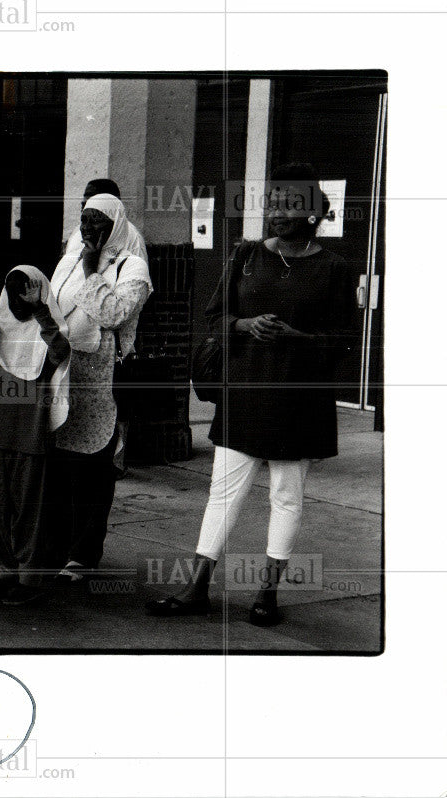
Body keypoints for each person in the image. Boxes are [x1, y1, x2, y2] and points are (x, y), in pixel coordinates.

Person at [145, 163, 356, 626]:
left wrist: (297, 336)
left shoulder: (336, 268)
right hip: (245, 393)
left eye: (288, 204)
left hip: (300, 400)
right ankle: (196, 585)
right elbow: (216, 317)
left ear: (313, 212)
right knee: (223, 493)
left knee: (286, 496)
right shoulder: (246, 256)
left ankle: (267, 593)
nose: (276, 212)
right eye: (272, 203)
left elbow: (344, 338)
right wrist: (245, 324)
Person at [47, 193, 153, 583]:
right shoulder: (70, 257)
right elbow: (53, 304)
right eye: (84, 220)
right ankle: (58, 546)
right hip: (66, 372)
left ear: (116, 224)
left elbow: (114, 313)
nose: (89, 229)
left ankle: (84, 554)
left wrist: (93, 270)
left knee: (93, 468)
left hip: (104, 379)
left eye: (98, 222)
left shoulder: (132, 265)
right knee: (62, 465)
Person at [0, 264, 71, 606]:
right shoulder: (0, 330)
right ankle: (6, 572)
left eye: (27, 289)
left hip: (32, 435)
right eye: (13, 290)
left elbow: (60, 352)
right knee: (0, 506)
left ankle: (28, 578)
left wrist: (40, 309)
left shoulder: (46, 330)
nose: (19, 297)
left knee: (29, 509)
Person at [64, 179, 148, 264]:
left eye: (93, 199)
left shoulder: (133, 237)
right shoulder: (78, 231)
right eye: (84, 201)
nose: (85, 203)